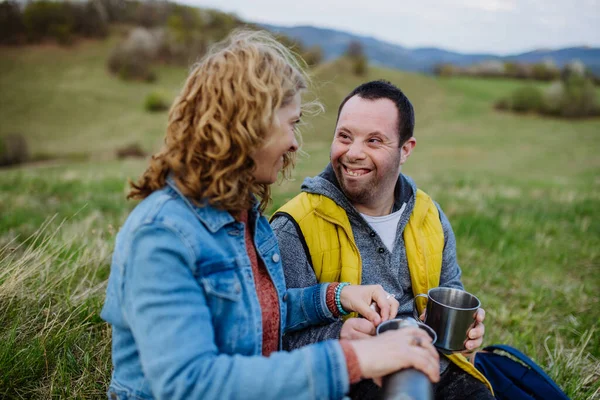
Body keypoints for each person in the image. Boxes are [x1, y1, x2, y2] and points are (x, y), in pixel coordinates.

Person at [100, 33, 442, 400]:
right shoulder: (162, 235)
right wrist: (354, 359)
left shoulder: (242, 218)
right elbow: (192, 383)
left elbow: (263, 314)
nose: (295, 143)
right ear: (249, 127)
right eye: (291, 123)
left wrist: (339, 296)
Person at [271, 80, 494, 399]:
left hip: (436, 368)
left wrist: (467, 330)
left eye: (374, 140)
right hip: (354, 378)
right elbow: (276, 331)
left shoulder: (429, 215)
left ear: (406, 150)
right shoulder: (295, 226)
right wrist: (337, 335)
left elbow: (450, 288)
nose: (353, 153)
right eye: (344, 137)